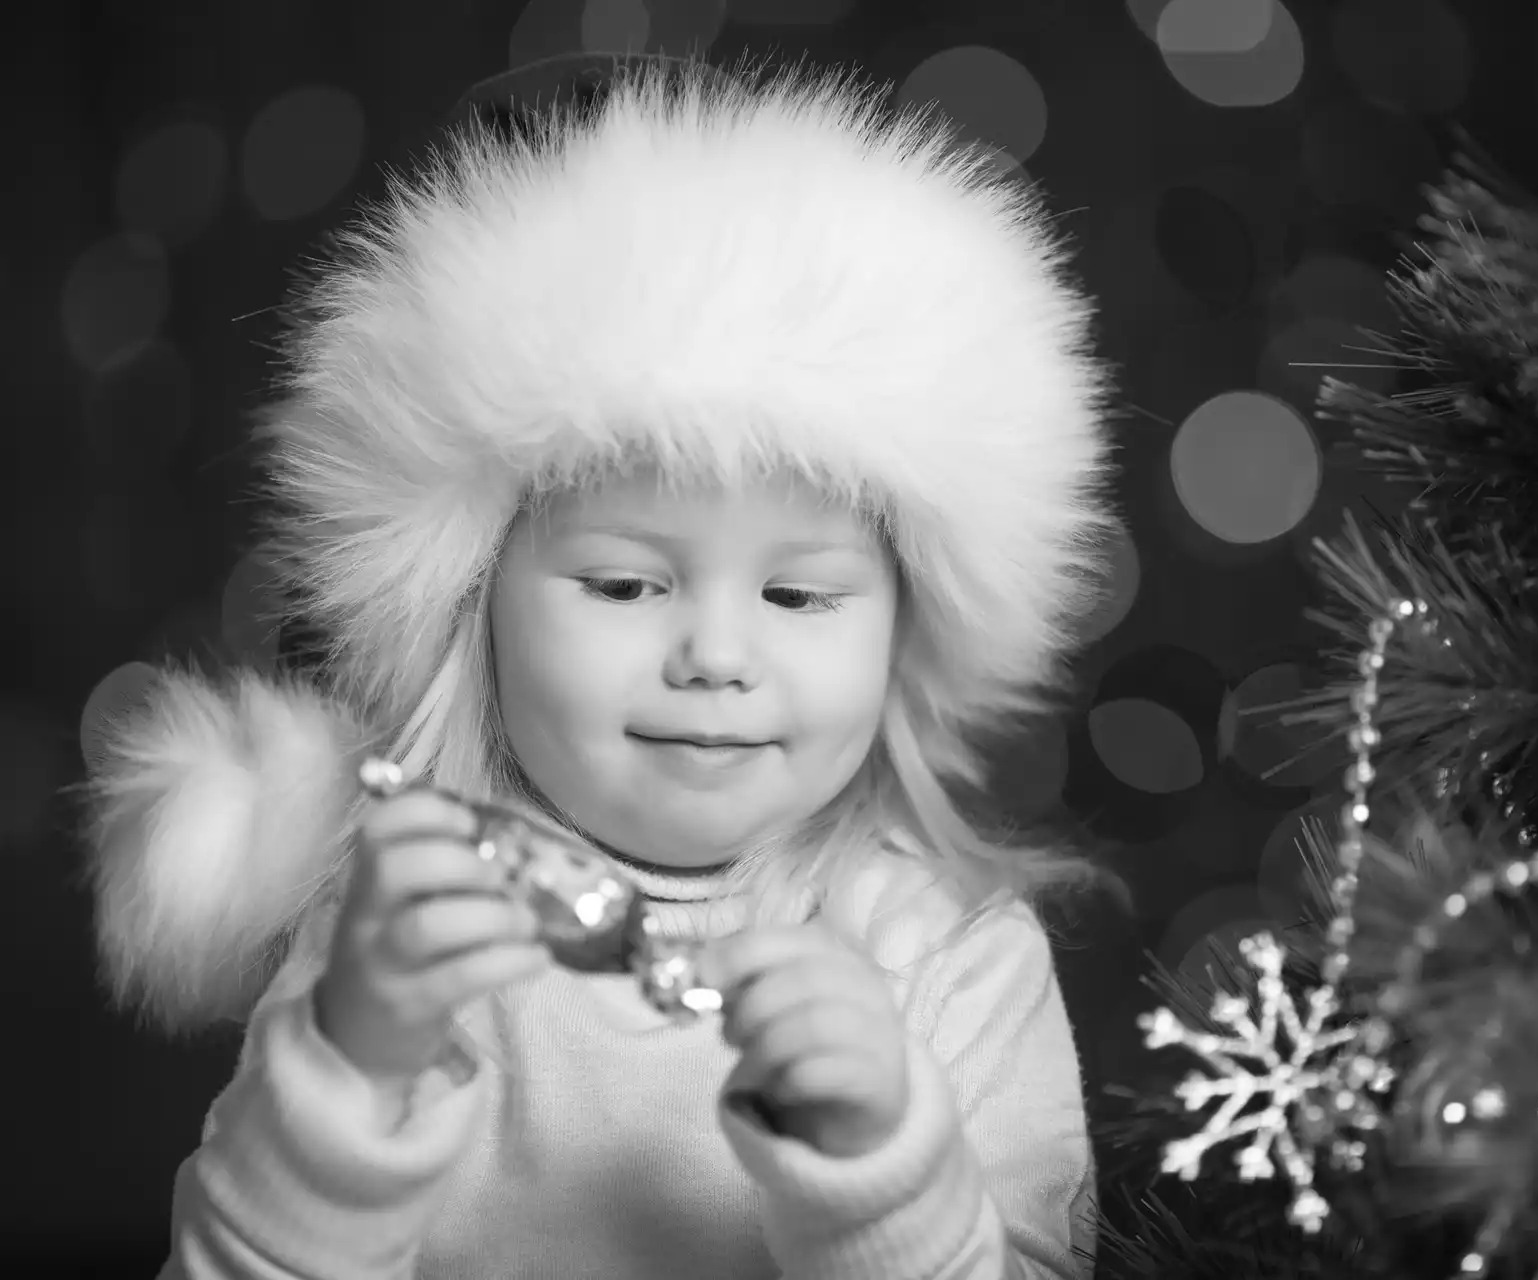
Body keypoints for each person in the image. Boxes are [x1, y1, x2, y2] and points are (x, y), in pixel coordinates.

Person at [83, 53, 1119, 1280]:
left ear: (906, 630)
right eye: (626, 585)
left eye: (798, 593)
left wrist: (885, 1164)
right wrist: (348, 1070)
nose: (720, 656)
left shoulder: (951, 961)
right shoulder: (403, 925)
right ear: (474, 604)